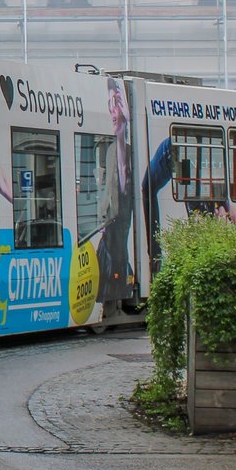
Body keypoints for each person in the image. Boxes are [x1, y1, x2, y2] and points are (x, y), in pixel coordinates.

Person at [96, 77, 134, 302]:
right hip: (113, 222)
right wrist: (100, 217)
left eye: (117, 102)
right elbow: (107, 190)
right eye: (110, 104)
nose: (113, 110)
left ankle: (121, 286)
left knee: (119, 256)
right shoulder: (111, 151)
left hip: (124, 223)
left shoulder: (132, 151)